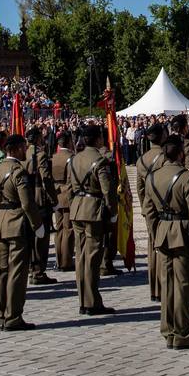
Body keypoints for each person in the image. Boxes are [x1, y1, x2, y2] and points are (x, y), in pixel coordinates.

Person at [148, 135, 189, 348]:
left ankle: (168, 330)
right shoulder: (186, 178)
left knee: (167, 285)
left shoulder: (153, 177)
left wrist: (156, 233)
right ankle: (182, 333)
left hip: (163, 232)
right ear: (181, 153)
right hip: (182, 233)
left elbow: (149, 211)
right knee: (183, 285)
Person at [0, 133, 45, 331]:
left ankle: (1, 313)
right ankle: (13, 316)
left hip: (0, 224)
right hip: (17, 223)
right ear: (18, 148)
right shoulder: (18, 171)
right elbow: (27, 203)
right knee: (17, 272)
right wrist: (38, 225)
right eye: (24, 147)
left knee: (2, 271)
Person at [67, 124, 117, 315]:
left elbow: (70, 186)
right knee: (92, 257)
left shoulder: (74, 159)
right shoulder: (100, 161)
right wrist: (112, 213)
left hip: (77, 208)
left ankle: (83, 299)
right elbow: (107, 191)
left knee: (80, 256)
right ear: (98, 139)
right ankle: (92, 301)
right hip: (93, 210)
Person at [135, 122, 168, 301]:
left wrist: (144, 207)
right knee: (164, 247)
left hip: (149, 206)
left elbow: (140, 188)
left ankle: (154, 288)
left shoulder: (142, 159)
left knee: (152, 246)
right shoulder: (164, 158)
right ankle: (163, 287)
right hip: (164, 207)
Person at [25, 127, 58, 286]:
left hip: (27, 198)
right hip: (39, 198)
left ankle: (32, 268)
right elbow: (46, 179)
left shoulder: (23, 153)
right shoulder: (40, 155)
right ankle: (38, 272)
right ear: (37, 138)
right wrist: (54, 199)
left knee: (31, 236)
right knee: (41, 237)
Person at [52, 130, 76, 273]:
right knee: (68, 229)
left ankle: (59, 259)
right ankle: (66, 261)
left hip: (57, 194)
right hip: (67, 194)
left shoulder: (54, 157)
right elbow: (72, 179)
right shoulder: (71, 157)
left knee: (59, 229)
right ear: (68, 142)